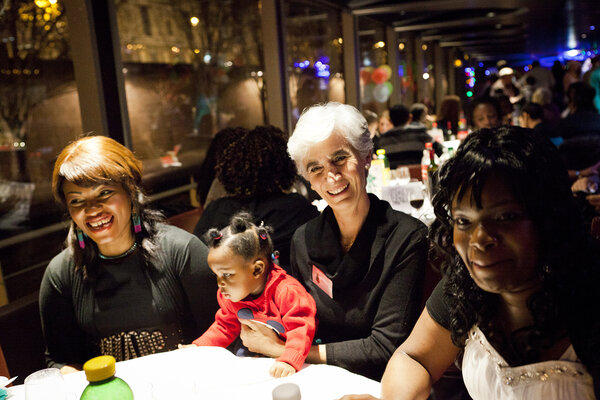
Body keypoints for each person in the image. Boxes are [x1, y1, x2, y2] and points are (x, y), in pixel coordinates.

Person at [343, 127, 600, 399]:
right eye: (464, 221)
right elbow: (414, 357)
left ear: (549, 218)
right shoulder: (466, 283)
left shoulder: (590, 295)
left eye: (505, 217)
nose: (479, 239)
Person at [238, 102, 428, 381]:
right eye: (316, 168)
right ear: (309, 182)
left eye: (340, 158)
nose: (331, 176)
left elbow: (387, 346)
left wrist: (286, 351)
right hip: (317, 380)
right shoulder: (304, 239)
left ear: (366, 157)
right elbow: (300, 319)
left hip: (382, 385)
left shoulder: (406, 236)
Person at [40, 136, 218, 373]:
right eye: (77, 200)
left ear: (131, 193)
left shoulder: (183, 252)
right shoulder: (61, 273)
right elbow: (61, 360)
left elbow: (223, 334)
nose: (92, 209)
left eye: (104, 193)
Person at [184, 212, 316, 378]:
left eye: (227, 275)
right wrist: (199, 348)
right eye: (216, 275)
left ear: (257, 269)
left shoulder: (287, 292)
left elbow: (301, 329)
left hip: (295, 359)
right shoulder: (230, 296)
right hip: (254, 357)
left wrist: (288, 360)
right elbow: (224, 326)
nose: (220, 283)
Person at [193, 125, 318, 270]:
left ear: (231, 168)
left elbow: (197, 260)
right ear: (285, 164)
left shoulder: (215, 209)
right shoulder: (297, 208)